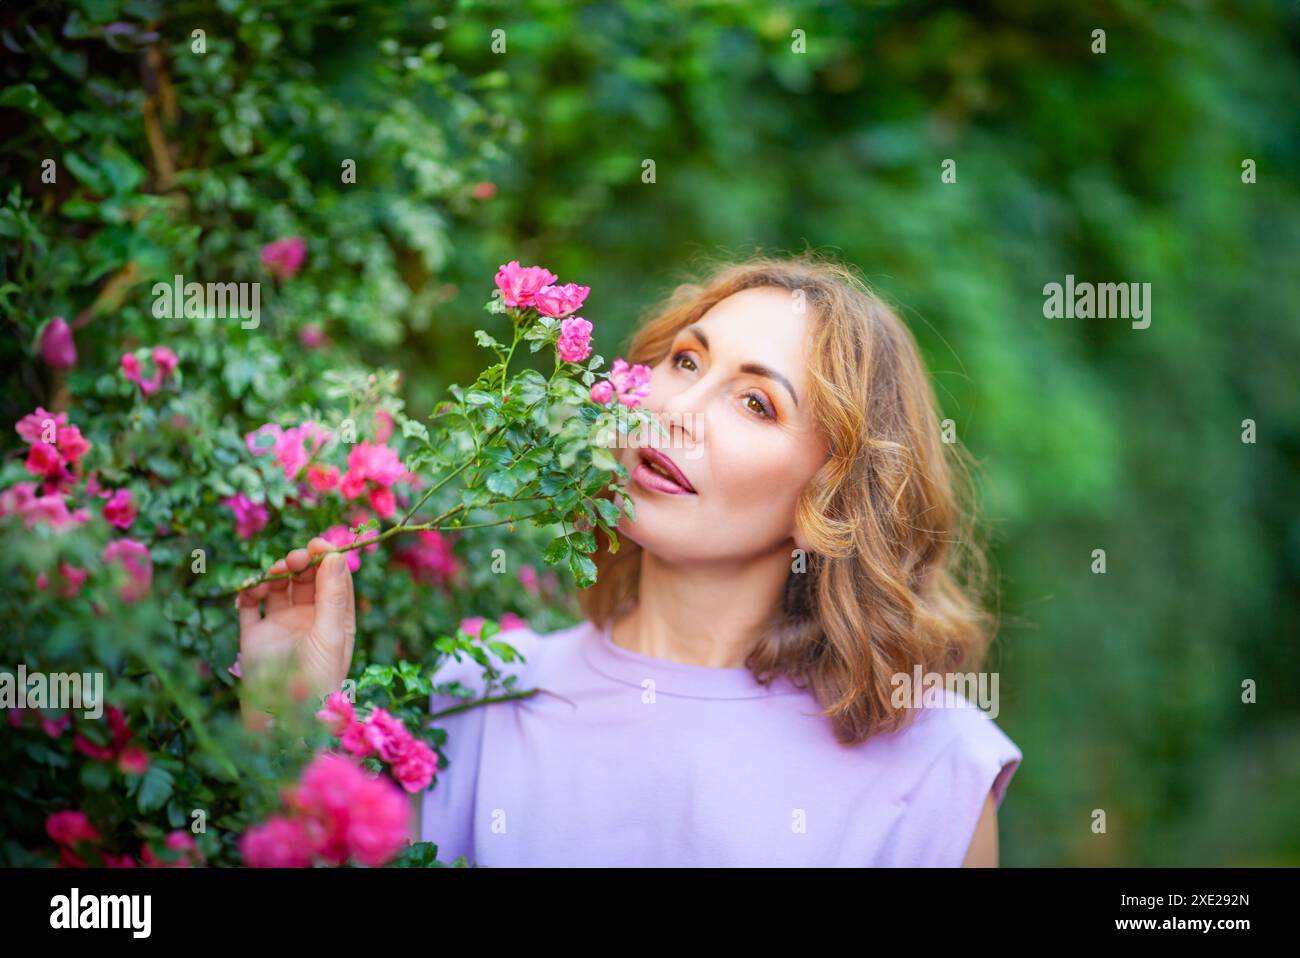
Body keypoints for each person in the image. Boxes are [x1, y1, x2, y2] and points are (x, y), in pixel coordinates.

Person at [237, 252, 1022, 867]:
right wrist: (284, 713)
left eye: (756, 402)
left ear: (833, 503)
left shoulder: (934, 774)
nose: (676, 411)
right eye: (685, 361)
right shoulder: (477, 700)